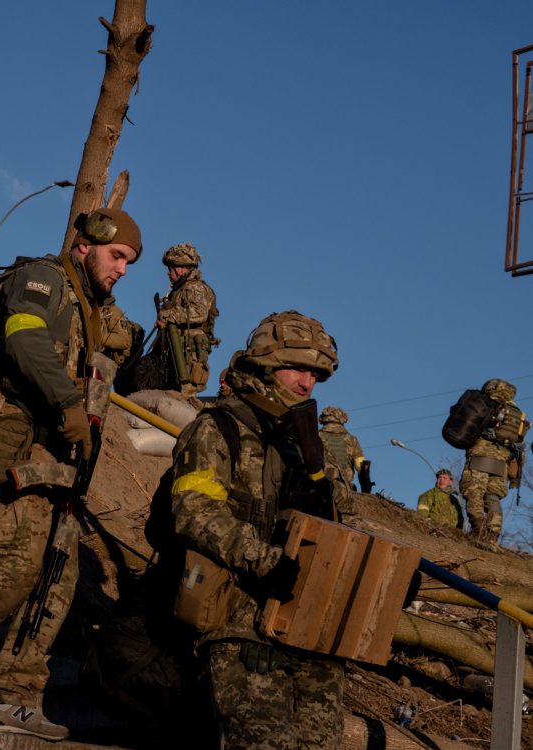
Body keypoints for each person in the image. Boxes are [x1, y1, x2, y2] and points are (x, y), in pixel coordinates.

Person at [0, 207, 142, 742]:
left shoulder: (97, 310)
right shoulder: (42, 278)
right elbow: (23, 339)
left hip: (61, 455)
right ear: (85, 246)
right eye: (118, 256)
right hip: (16, 440)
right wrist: (66, 403)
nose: (124, 269)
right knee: (18, 561)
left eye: (130, 262)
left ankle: (12, 695)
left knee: (55, 580)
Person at [167, 310, 345, 750]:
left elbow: (347, 522)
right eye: (299, 368)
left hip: (311, 634)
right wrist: (265, 560)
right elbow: (192, 509)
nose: (307, 384)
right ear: (266, 364)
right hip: (242, 626)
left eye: (316, 375)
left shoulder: (311, 447)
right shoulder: (218, 427)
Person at [461, 379, 528, 544]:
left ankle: (478, 530)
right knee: (493, 497)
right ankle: (492, 535)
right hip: (503, 462)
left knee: (474, 491)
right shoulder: (517, 413)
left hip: (481, 455)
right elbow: (520, 445)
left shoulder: (489, 405)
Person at [153, 242, 218, 398]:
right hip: (177, 352)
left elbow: (198, 313)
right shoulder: (180, 289)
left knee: (185, 395)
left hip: (188, 354)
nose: (168, 274)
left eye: (170, 269)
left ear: (180, 268)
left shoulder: (194, 287)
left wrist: (168, 316)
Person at [319, 406, 366, 491]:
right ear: (342, 419)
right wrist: (366, 490)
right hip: (344, 487)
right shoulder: (351, 439)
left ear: (323, 419)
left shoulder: (315, 437)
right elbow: (362, 468)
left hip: (319, 484)